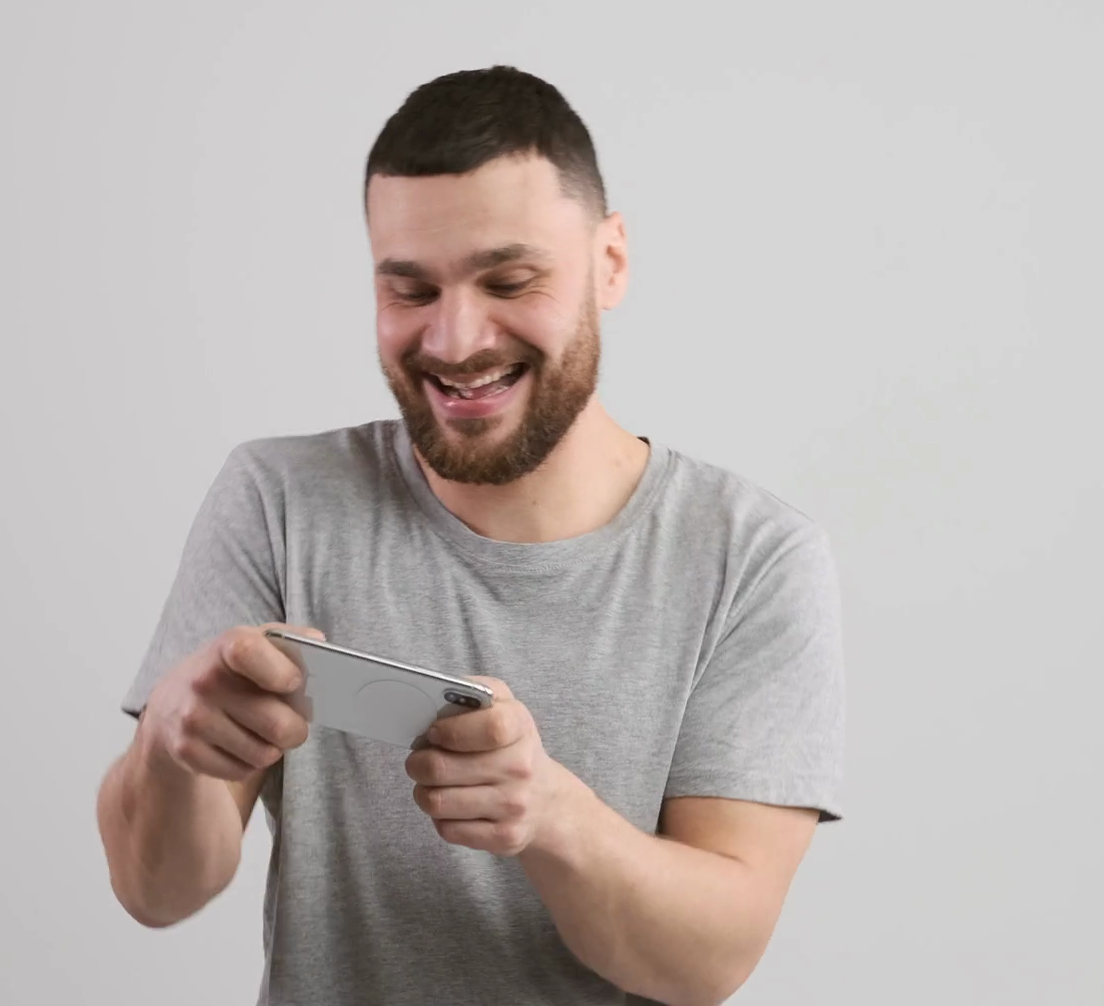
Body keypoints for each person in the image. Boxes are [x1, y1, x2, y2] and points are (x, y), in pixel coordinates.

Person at [96, 64, 846, 1006]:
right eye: (411, 290)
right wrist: (168, 748)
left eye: (510, 280)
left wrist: (551, 815)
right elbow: (159, 889)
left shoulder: (754, 558)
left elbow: (709, 961)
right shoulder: (279, 500)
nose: (455, 340)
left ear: (610, 263)